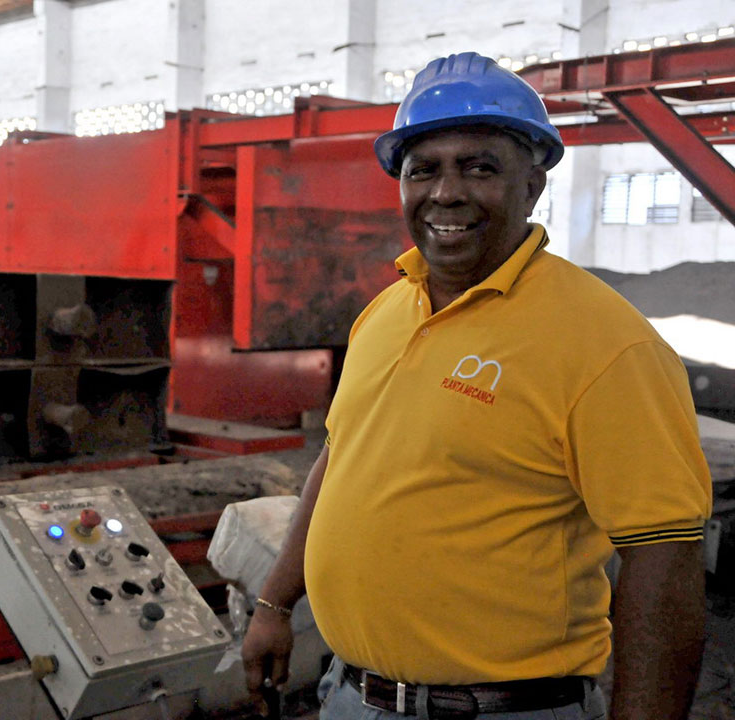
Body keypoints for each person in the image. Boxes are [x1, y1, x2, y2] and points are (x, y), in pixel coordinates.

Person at [241, 51, 712, 720]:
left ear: (533, 184)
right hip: (349, 696)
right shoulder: (387, 311)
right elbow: (340, 456)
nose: (447, 192)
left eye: (480, 167)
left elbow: (664, 560)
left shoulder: (606, 344)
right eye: (423, 170)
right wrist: (273, 603)